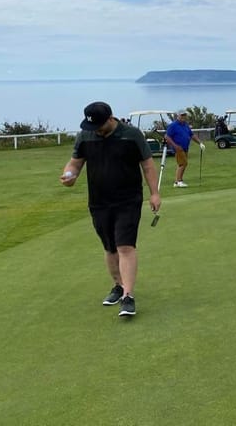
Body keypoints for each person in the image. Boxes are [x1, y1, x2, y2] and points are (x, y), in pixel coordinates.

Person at [60, 101, 161, 318]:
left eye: (98, 125)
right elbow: (75, 163)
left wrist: (154, 193)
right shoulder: (85, 136)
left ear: (110, 119)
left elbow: (148, 164)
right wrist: (69, 176)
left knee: (125, 246)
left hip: (128, 200)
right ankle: (118, 285)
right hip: (99, 201)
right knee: (110, 247)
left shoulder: (132, 135)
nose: (94, 129)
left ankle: (128, 296)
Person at [164, 109, 205, 188]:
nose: (183, 117)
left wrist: (200, 143)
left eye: (184, 115)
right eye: (182, 115)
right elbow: (167, 137)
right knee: (184, 163)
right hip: (178, 148)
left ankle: (176, 182)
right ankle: (179, 181)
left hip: (185, 147)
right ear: (178, 116)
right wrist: (175, 146)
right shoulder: (173, 125)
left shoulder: (185, 125)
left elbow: (191, 135)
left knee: (181, 164)